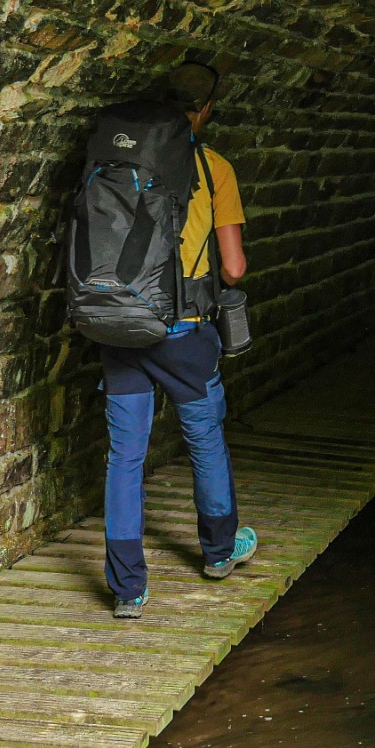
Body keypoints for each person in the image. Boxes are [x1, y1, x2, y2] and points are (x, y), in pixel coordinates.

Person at [99, 60, 258, 618]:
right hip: (184, 332)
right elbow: (233, 269)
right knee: (204, 438)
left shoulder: (112, 157)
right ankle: (219, 551)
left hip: (119, 323)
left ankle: (127, 590)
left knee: (125, 456)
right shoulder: (211, 166)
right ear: (206, 109)